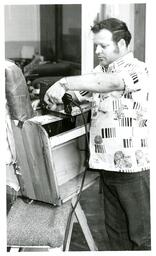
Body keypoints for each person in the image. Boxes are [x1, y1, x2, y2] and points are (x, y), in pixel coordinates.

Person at [44, 18, 150, 250]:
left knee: (142, 237)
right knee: (116, 233)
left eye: (103, 45)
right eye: (96, 45)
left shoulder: (138, 70)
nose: (97, 50)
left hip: (133, 168)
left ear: (121, 45)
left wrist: (64, 82)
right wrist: (58, 101)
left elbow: (109, 83)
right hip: (106, 165)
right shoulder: (98, 72)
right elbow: (81, 94)